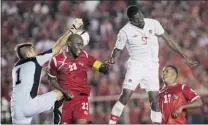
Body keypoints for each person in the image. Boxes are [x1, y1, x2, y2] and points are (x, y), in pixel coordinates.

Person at [107, 5, 198, 124]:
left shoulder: (153, 24)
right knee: (125, 96)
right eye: (137, 19)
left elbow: (169, 40)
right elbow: (117, 49)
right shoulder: (124, 32)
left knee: (154, 100)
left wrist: (184, 56)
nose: (140, 20)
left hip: (152, 67)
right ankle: (111, 123)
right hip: (136, 65)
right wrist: (113, 59)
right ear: (131, 21)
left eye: (140, 16)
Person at [10, 18, 83, 124]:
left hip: (15, 110)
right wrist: (74, 28)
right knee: (60, 93)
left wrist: (57, 67)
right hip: (29, 104)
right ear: (28, 53)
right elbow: (57, 47)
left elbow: (40, 73)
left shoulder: (16, 68)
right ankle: (57, 121)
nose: (36, 51)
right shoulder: (34, 60)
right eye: (33, 49)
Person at [47, 34, 110, 124]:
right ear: (69, 44)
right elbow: (51, 79)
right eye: (78, 44)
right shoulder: (56, 61)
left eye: (82, 45)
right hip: (65, 101)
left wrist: (105, 67)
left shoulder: (84, 55)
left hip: (81, 98)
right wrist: (63, 91)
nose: (81, 47)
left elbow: (98, 66)